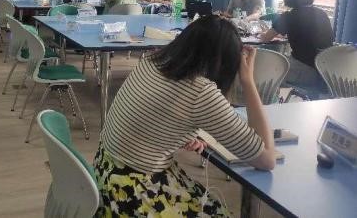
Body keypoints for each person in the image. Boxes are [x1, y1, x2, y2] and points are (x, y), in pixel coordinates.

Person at [95, 15, 276, 217]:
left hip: (106, 176)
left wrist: (184, 134)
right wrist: (248, 81)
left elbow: (150, 117)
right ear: (225, 64)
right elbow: (267, 159)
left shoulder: (152, 62)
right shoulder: (200, 91)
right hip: (133, 193)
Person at [260, 0, 333, 97]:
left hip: (305, 71)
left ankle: (270, 99)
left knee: (265, 64)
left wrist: (261, 34)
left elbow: (266, 38)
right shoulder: (322, 14)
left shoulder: (289, 16)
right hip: (326, 72)